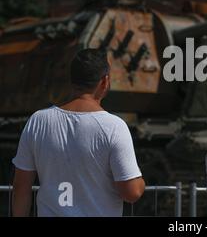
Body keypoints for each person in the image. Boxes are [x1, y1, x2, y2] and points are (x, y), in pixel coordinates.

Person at [12, 49, 145, 216]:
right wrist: (139, 181)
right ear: (104, 82)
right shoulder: (114, 127)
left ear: (72, 81)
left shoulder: (38, 121)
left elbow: (21, 187)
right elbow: (131, 193)